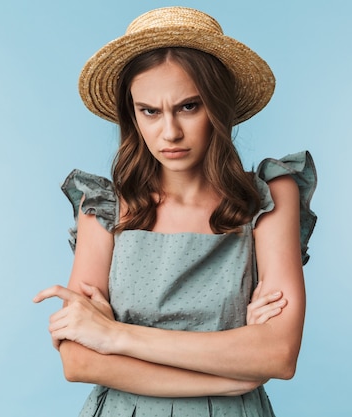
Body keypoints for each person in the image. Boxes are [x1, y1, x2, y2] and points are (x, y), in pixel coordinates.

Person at [34, 6, 317, 417]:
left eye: (188, 106)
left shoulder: (270, 196)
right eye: (149, 111)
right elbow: (79, 362)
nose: (170, 132)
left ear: (218, 107)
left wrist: (113, 335)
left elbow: (278, 354)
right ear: (132, 115)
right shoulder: (102, 206)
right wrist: (234, 374)